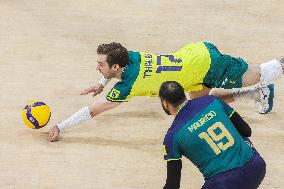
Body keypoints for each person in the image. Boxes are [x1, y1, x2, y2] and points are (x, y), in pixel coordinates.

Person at [48, 42, 283, 142]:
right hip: (193, 60)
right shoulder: (130, 56)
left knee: (261, 72)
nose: (97, 67)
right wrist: (102, 82)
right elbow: (111, 70)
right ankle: (256, 94)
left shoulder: (126, 87)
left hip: (206, 64)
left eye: (101, 65)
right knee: (202, 105)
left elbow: (93, 111)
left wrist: (61, 125)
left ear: (116, 66)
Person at [159, 81, 266, 189]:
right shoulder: (212, 100)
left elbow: (173, 185)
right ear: (183, 94)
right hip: (256, 167)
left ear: (165, 103)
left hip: (224, 183)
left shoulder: (172, 136)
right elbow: (246, 131)